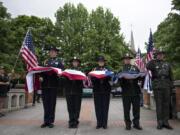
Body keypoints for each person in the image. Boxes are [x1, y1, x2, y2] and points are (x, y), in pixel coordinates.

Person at [146, 48, 173, 130]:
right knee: (159, 105)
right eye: (158, 54)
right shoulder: (153, 63)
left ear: (163, 55)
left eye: (161, 54)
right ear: (156, 55)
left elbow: (171, 76)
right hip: (157, 86)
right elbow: (147, 66)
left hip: (166, 86)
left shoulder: (168, 64)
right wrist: (152, 58)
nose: (160, 55)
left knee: (166, 105)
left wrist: (171, 87)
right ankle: (160, 123)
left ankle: (166, 122)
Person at [40, 46, 64, 128]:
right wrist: (40, 76)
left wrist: (59, 74)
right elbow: (41, 71)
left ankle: (50, 121)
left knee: (52, 104)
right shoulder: (45, 61)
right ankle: (45, 121)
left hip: (54, 85)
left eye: (53, 52)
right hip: (45, 85)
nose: (52, 53)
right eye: (50, 52)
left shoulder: (59, 62)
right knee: (45, 103)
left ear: (56, 53)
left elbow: (62, 72)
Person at [119, 53, 143, 130]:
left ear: (130, 59)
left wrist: (142, 75)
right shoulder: (121, 69)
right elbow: (119, 82)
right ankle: (128, 124)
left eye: (128, 59)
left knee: (136, 109)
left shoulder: (135, 67)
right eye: (126, 59)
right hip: (126, 92)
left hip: (135, 91)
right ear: (123, 60)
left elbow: (140, 78)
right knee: (126, 109)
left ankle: (136, 123)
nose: (127, 60)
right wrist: (121, 78)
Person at [91, 56, 111, 129]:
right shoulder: (94, 69)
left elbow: (111, 78)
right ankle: (99, 123)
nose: (101, 62)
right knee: (98, 107)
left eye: (102, 61)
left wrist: (105, 76)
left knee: (105, 107)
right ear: (98, 62)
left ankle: (105, 123)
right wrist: (97, 76)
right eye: (99, 61)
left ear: (104, 62)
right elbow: (92, 80)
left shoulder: (108, 69)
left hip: (106, 90)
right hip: (97, 90)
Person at [64, 57, 83, 128]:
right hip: (69, 91)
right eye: (73, 62)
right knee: (70, 107)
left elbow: (83, 80)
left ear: (78, 63)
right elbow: (64, 80)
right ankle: (71, 121)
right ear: (72, 63)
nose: (75, 63)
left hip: (78, 92)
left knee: (77, 107)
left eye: (76, 62)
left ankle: (75, 121)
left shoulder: (81, 71)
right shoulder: (67, 70)